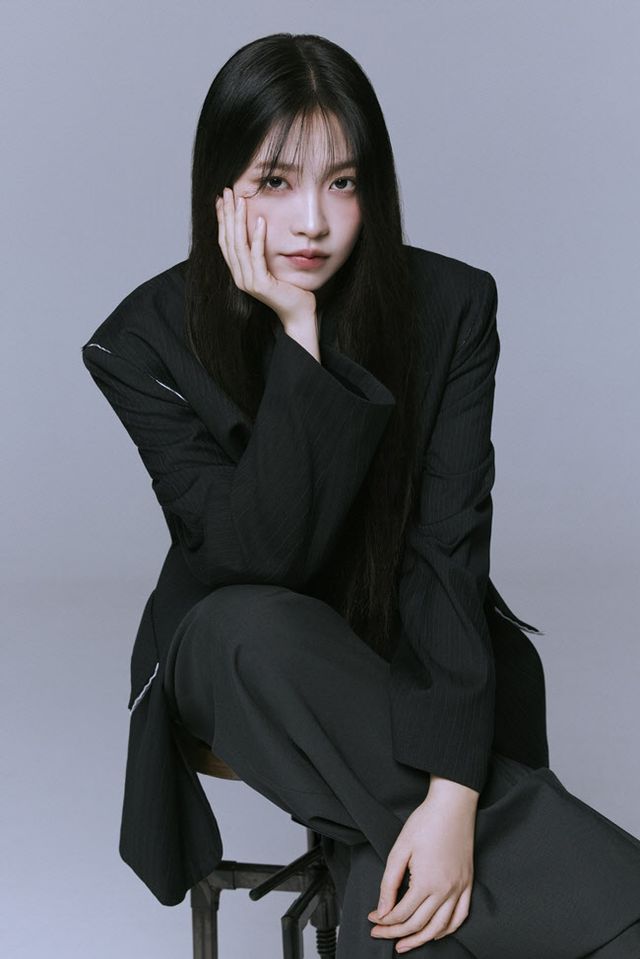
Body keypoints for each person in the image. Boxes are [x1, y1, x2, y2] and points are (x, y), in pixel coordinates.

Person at [81, 32, 640, 957]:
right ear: (219, 191)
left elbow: (449, 545)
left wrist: (455, 801)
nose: (312, 221)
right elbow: (254, 558)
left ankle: (402, 885)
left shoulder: (452, 305)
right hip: (239, 650)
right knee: (253, 628)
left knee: (474, 709)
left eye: (342, 183)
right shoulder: (141, 341)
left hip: (395, 627)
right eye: (274, 181)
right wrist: (298, 342)